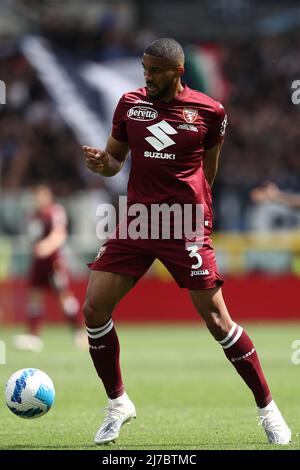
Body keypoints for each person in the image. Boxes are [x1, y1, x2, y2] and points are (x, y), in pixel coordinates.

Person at [82, 38, 291, 446]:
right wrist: (100, 165)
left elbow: (207, 172)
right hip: (139, 221)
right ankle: (118, 402)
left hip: (185, 225)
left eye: (156, 70)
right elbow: (114, 162)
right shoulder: (130, 104)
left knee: (217, 322)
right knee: (94, 309)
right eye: (145, 68)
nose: (147, 76)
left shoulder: (209, 112)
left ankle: (269, 410)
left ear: (178, 71)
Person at [13, 184, 85, 352]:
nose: (38, 199)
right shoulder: (33, 215)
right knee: (34, 297)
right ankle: (34, 336)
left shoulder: (55, 211)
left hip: (53, 261)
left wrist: (47, 246)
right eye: (36, 196)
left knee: (64, 297)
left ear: (48, 196)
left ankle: (80, 333)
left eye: (41, 196)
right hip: (38, 262)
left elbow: (59, 234)